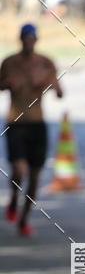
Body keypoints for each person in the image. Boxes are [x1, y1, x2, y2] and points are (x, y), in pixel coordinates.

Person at [0, 23, 63, 236]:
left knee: (35, 177)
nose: (28, 41)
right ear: (20, 40)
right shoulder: (9, 62)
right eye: (25, 38)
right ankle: (13, 200)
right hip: (16, 122)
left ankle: (24, 218)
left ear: (36, 40)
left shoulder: (45, 63)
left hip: (37, 124)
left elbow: (60, 91)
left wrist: (47, 82)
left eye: (32, 38)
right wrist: (8, 84)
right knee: (19, 170)